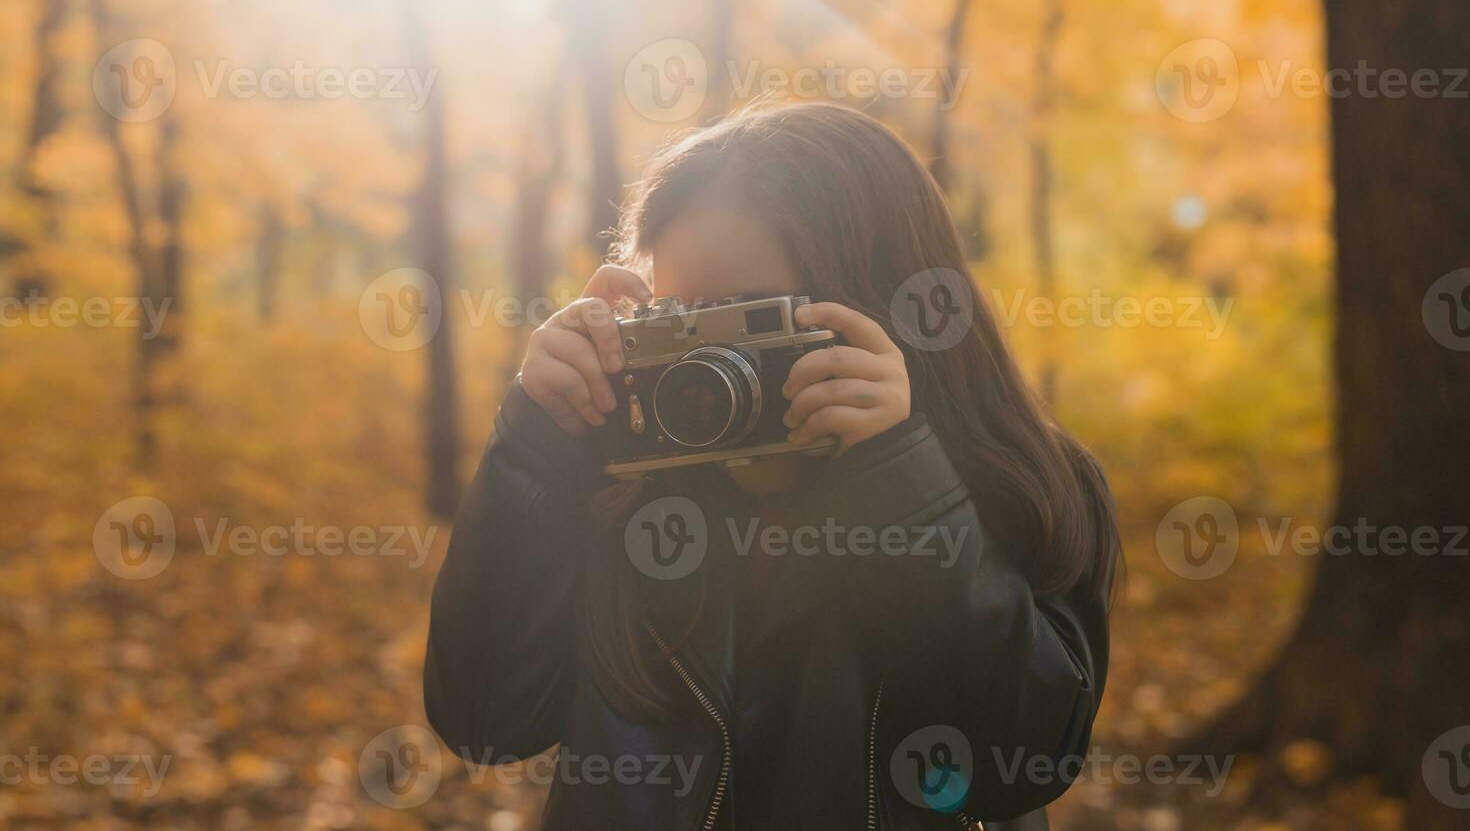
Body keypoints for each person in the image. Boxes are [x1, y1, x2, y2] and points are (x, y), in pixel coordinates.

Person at [424, 102, 1120, 830]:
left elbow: (1025, 757)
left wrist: (901, 484)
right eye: (681, 325)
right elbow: (485, 722)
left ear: (882, 301)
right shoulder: (624, 489)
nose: (710, 375)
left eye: (752, 322)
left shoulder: (1025, 486)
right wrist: (539, 445)